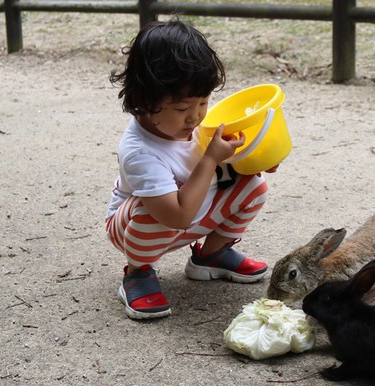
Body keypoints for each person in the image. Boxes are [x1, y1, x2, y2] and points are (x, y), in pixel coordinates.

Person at [105, 18, 276, 320]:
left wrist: (253, 158)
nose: (194, 117)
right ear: (144, 101)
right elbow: (177, 216)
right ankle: (137, 273)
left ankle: (211, 256)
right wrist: (210, 159)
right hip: (141, 227)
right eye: (183, 108)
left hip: (191, 213)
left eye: (203, 102)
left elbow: (226, 165)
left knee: (254, 185)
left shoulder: (198, 122)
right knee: (153, 210)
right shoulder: (139, 152)